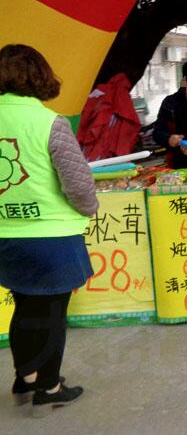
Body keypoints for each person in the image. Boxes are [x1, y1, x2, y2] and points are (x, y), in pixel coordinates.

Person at [0, 44, 95, 416]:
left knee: (24, 305)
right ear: (40, 77)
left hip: (5, 234)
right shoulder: (49, 123)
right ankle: (49, 388)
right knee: (51, 313)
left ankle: (25, 379)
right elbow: (78, 185)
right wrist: (89, 208)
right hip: (50, 237)